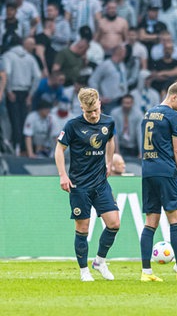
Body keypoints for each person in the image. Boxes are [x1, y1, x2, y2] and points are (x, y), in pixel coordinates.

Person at [54, 88, 120, 282]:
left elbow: (110, 141)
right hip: (79, 184)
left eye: (95, 110)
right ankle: (84, 271)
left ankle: (99, 261)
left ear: (100, 103)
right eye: (88, 111)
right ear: (81, 107)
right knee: (83, 228)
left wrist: (109, 162)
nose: (93, 115)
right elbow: (59, 150)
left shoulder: (108, 121)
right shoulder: (73, 125)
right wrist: (62, 175)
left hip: (100, 182)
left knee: (114, 223)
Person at [139, 81, 177, 282]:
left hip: (148, 170)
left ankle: (146, 272)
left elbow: (157, 143)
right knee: (176, 219)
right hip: (166, 172)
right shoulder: (173, 116)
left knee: (151, 222)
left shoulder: (149, 113)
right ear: (173, 96)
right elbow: (176, 149)